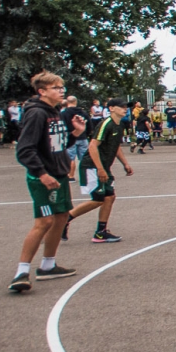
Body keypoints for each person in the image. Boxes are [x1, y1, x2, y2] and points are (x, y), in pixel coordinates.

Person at [10, 72, 85, 292]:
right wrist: (41, 173)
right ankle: (21, 273)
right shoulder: (36, 114)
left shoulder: (55, 113)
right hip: (43, 177)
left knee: (61, 217)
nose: (61, 91)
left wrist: (75, 133)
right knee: (43, 222)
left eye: (62, 87)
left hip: (58, 173)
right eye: (55, 87)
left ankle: (48, 265)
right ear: (42, 91)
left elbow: (57, 144)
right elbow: (24, 150)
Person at [65, 97, 133, 244]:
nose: (125, 108)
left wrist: (125, 164)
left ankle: (100, 232)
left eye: (126, 107)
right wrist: (100, 169)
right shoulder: (106, 124)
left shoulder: (119, 125)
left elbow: (116, 147)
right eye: (121, 106)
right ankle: (66, 219)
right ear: (111, 108)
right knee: (98, 199)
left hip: (103, 167)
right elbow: (92, 146)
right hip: (92, 166)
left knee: (109, 197)